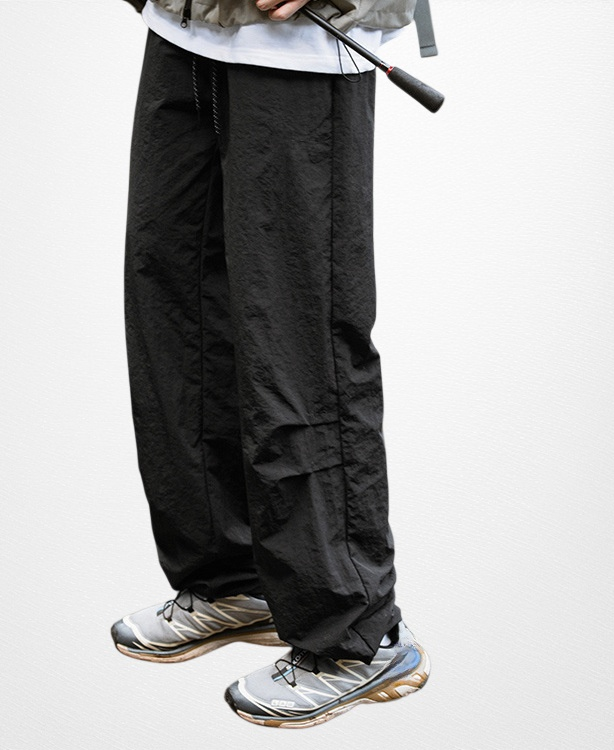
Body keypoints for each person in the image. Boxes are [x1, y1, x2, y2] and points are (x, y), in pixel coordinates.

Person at [111, 0, 431, 728]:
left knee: (299, 331)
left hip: (302, 44)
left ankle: (356, 635)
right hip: (184, 29)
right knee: (176, 306)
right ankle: (230, 579)